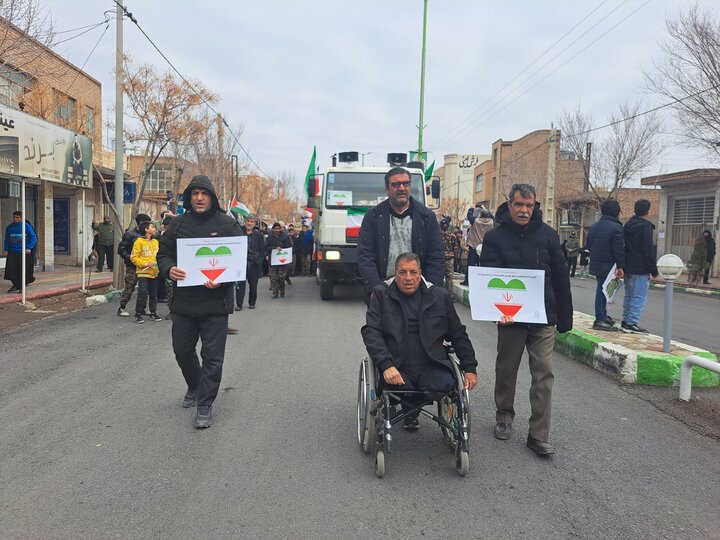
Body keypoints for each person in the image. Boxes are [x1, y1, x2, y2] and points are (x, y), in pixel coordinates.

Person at [479, 183, 573, 456]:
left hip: (543, 317)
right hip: (510, 318)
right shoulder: (495, 238)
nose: (523, 210)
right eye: (519, 205)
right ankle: (504, 416)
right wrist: (496, 312)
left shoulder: (548, 236)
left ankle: (538, 434)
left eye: (529, 206)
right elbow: (489, 278)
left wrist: (564, 316)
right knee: (506, 369)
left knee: (543, 373)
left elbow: (560, 277)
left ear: (535, 207)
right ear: (509, 205)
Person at [158, 175, 242, 429]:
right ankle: (195, 384)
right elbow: (163, 252)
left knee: (212, 356)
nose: (199, 198)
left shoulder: (228, 225)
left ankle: (205, 403)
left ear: (212, 197)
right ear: (189, 198)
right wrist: (169, 268)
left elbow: (239, 260)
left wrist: (223, 280)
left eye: (204, 194)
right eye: (194, 194)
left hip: (215, 304)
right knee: (182, 351)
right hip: (184, 304)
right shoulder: (178, 224)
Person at [361, 252, 478, 431]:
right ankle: (407, 409)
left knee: (444, 384)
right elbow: (372, 332)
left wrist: (470, 368)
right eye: (402, 272)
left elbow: (458, 334)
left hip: (432, 364)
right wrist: (385, 365)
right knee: (397, 388)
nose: (408, 278)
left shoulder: (438, 295)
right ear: (395, 273)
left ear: (420, 273)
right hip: (396, 365)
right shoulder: (381, 294)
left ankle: (412, 410)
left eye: (413, 272)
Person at [357, 166, 444, 297]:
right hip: (384, 290)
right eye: (396, 184)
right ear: (387, 188)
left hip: (419, 291)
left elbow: (436, 255)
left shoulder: (426, 217)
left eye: (406, 184)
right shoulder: (373, 216)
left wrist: (430, 289)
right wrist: (374, 289)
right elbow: (365, 255)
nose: (402, 188)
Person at [586, 200, 625, 332]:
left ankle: (602, 315)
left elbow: (588, 245)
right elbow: (618, 249)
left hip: (597, 261)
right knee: (603, 290)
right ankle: (599, 319)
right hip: (609, 265)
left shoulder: (594, 226)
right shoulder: (616, 228)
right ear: (617, 213)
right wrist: (620, 266)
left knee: (603, 289)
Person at [621, 199, 658, 334]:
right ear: (648, 211)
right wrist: (653, 270)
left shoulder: (628, 225)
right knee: (639, 297)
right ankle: (631, 323)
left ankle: (626, 320)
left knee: (629, 295)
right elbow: (647, 250)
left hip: (628, 266)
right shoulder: (646, 227)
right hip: (641, 268)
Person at [117, 213, 152, 317]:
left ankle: (142, 309)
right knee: (130, 286)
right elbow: (121, 249)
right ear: (141, 223)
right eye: (148, 224)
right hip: (132, 266)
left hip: (145, 266)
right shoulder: (130, 234)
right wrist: (131, 258)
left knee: (144, 288)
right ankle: (122, 307)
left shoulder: (147, 235)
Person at [130, 221, 162, 324]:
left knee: (154, 294)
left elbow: (158, 256)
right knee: (142, 293)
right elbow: (134, 258)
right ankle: (138, 313)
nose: (154, 229)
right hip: (143, 272)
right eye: (152, 227)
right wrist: (146, 263)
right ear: (146, 229)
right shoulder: (138, 242)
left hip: (154, 273)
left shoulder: (155, 242)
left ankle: (153, 312)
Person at [3, 211, 37, 293]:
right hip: (12, 251)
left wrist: (29, 248)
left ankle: (21, 287)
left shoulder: (26, 226)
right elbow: (7, 240)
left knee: (22, 270)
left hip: (23, 252)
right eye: (14, 217)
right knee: (10, 270)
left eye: (17, 217)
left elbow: (33, 237)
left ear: (21, 218)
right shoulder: (9, 227)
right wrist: (6, 249)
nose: (15, 219)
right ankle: (15, 285)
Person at [235, 215, 264, 310]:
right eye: (248, 221)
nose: (249, 223)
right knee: (239, 285)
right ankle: (239, 304)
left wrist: (258, 261)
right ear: (245, 221)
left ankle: (252, 303)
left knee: (253, 285)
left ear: (255, 224)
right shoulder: (238, 233)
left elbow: (262, 250)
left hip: (253, 264)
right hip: (241, 263)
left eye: (252, 222)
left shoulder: (259, 236)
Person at [462, 208, 494, 285]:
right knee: (483, 265)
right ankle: (482, 282)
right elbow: (492, 215)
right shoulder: (491, 222)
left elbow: (469, 215)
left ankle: (467, 281)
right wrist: (485, 208)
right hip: (485, 247)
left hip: (474, 246)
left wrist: (472, 209)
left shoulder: (475, 221)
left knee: (471, 265)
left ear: (480, 215)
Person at [265, 222, 292, 299]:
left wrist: (282, 248)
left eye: (278, 228)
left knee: (281, 277)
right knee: (273, 277)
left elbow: (289, 247)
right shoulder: (269, 238)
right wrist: (273, 249)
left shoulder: (285, 237)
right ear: (273, 229)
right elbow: (266, 247)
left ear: (280, 229)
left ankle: (282, 290)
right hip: (272, 260)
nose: (277, 230)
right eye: (275, 229)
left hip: (282, 260)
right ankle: (275, 292)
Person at [440, 219, 459, 291]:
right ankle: (440, 293)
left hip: (450, 259)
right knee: (439, 276)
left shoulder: (452, 236)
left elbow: (456, 247)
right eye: (443, 225)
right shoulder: (437, 235)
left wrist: (455, 257)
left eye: (446, 225)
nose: (444, 226)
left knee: (450, 277)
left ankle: (450, 294)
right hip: (440, 258)